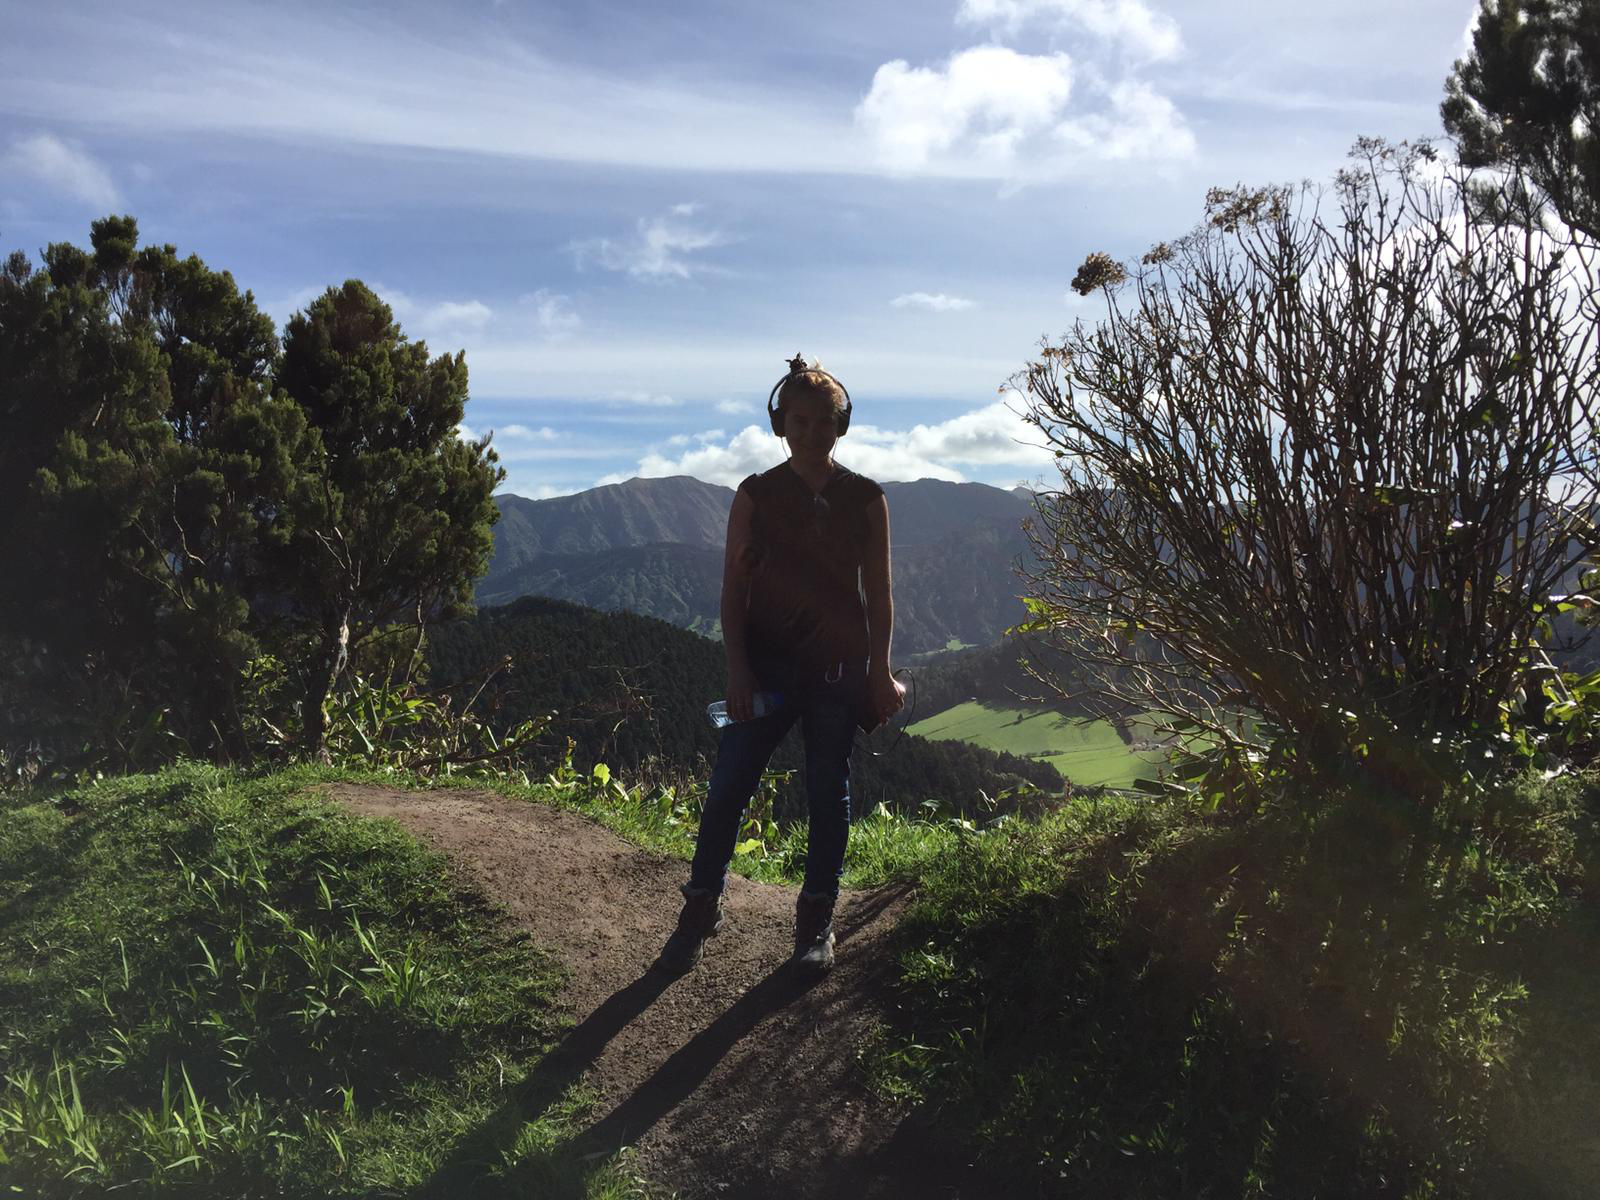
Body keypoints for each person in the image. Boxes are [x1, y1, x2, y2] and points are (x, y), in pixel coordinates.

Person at [656, 354, 905, 976]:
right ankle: (700, 907)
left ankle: (815, 921)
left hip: (837, 672)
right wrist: (738, 671)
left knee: (827, 792)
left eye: (824, 422)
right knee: (728, 788)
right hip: (766, 669)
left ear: (841, 425)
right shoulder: (755, 495)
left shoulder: (866, 498)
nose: (813, 433)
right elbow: (732, 590)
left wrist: (880, 671)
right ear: (780, 423)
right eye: (800, 421)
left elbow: (880, 595)